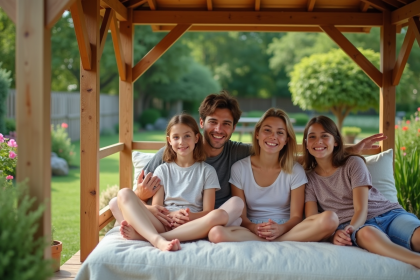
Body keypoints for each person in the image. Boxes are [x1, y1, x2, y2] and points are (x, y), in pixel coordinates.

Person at [129, 91, 386, 216]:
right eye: (213, 122)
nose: (219, 129)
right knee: (120, 201)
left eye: (226, 123)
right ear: (201, 123)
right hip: (175, 216)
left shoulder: (238, 152)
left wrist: (345, 149)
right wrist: (140, 195)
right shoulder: (172, 152)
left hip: (217, 217)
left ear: (234, 127)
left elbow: (280, 156)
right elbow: (141, 190)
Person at [111, 114, 243, 251]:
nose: (181, 142)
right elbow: (157, 209)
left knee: (220, 214)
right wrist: (172, 215)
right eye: (176, 137)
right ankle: (157, 239)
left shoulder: (207, 172)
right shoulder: (162, 170)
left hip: (192, 224)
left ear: (196, 138)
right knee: (123, 194)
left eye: (187, 136)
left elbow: (208, 211)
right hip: (164, 222)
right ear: (169, 140)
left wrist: (189, 216)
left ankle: (149, 236)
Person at [303, 115, 420, 268]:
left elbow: (361, 209)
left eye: (325, 136)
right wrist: (334, 236)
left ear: (336, 141)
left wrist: (351, 228)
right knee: (366, 234)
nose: (318, 141)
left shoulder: (353, 163)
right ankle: (416, 261)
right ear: (306, 144)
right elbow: (313, 220)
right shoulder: (309, 179)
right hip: (358, 227)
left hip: (388, 215)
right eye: (312, 137)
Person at [207, 108, 338, 243]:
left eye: (280, 132)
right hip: (252, 229)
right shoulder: (239, 169)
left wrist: (281, 229)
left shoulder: (295, 170)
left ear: (287, 139)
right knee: (216, 233)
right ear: (257, 134)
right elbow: (243, 218)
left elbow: (297, 217)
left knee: (330, 219)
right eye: (267, 130)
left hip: (287, 228)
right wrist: (255, 227)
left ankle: (280, 239)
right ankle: (270, 240)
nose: (273, 136)